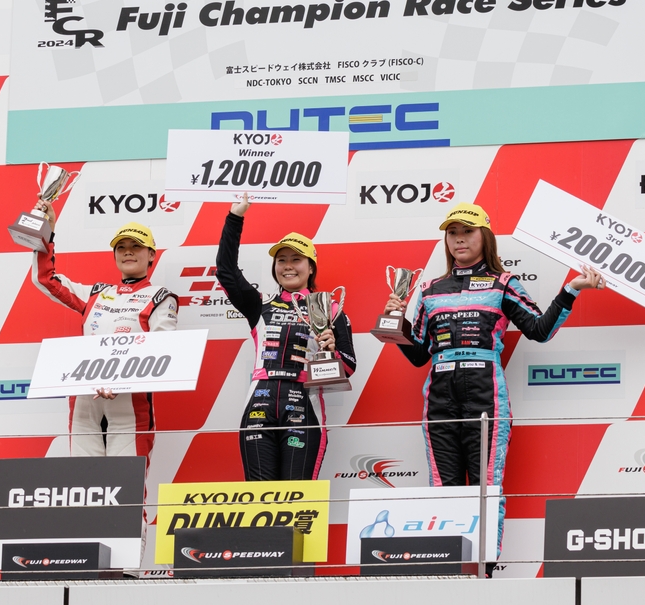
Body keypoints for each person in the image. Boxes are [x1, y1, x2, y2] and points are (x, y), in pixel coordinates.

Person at [383, 202, 603, 557]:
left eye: (467, 231)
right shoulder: (430, 289)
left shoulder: (503, 284)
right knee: (443, 487)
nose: (459, 239)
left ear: (484, 236)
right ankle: (447, 568)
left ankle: (482, 570)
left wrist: (572, 289)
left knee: (486, 488)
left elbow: (539, 330)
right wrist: (397, 324)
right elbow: (420, 355)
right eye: (452, 233)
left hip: (486, 396)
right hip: (438, 399)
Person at [216, 193, 356, 481]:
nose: (288, 265)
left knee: (298, 496)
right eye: (281, 260)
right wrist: (234, 218)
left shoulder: (329, 308)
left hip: (304, 404)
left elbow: (349, 365)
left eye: (296, 259)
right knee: (260, 496)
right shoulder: (260, 304)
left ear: (311, 266)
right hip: (259, 404)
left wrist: (331, 352)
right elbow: (226, 271)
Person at [31, 198, 178, 457]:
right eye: (121, 247)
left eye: (136, 246)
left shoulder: (161, 297)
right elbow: (45, 279)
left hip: (129, 409)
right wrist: (47, 230)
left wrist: (121, 381)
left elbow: (162, 350)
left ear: (151, 254)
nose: (128, 251)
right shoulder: (96, 293)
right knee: (85, 480)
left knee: (125, 481)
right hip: (84, 407)